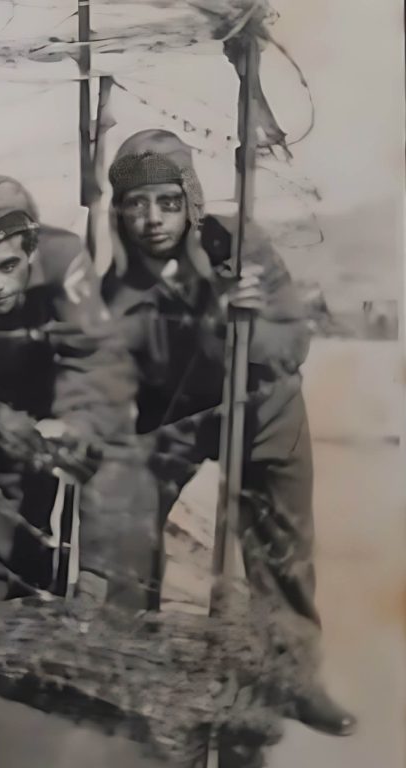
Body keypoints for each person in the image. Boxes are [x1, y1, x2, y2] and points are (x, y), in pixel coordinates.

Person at [101, 128, 356, 736]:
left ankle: (291, 677)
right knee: (124, 518)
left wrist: (250, 325)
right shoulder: (115, 281)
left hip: (261, 406)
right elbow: (135, 362)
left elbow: (291, 342)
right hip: (174, 415)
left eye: (166, 201)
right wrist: (208, 321)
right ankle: (129, 669)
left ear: (191, 199)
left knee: (284, 551)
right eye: (136, 204)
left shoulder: (243, 246)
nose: (152, 218)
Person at [0, 172, 154, 607]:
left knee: (25, 541)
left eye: (8, 266)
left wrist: (93, 573)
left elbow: (96, 373)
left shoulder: (64, 261)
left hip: (42, 413)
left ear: (31, 251)